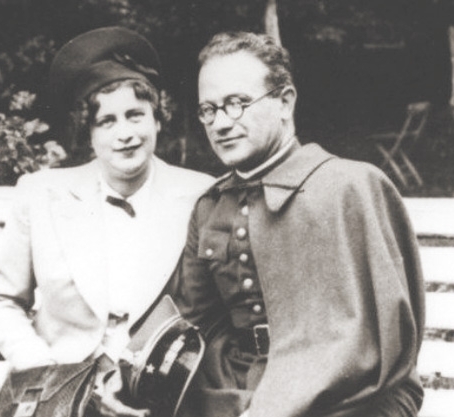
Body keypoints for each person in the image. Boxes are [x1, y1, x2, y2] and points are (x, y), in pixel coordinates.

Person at [175, 31, 425, 417]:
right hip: (234, 396)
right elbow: (194, 328)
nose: (220, 123)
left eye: (237, 104)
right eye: (208, 109)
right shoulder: (211, 207)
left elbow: (395, 359)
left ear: (285, 102)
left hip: (342, 403)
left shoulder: (351, 187)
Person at [0, 26, 213, 417]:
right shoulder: (41, 193)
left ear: (157, 120)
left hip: (153, 395)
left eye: (135, 115)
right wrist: (47, 373)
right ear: (87, 132)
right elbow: (0, 300)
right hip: (55, 391)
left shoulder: (199, 195)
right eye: (107, 121)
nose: (125, 134)